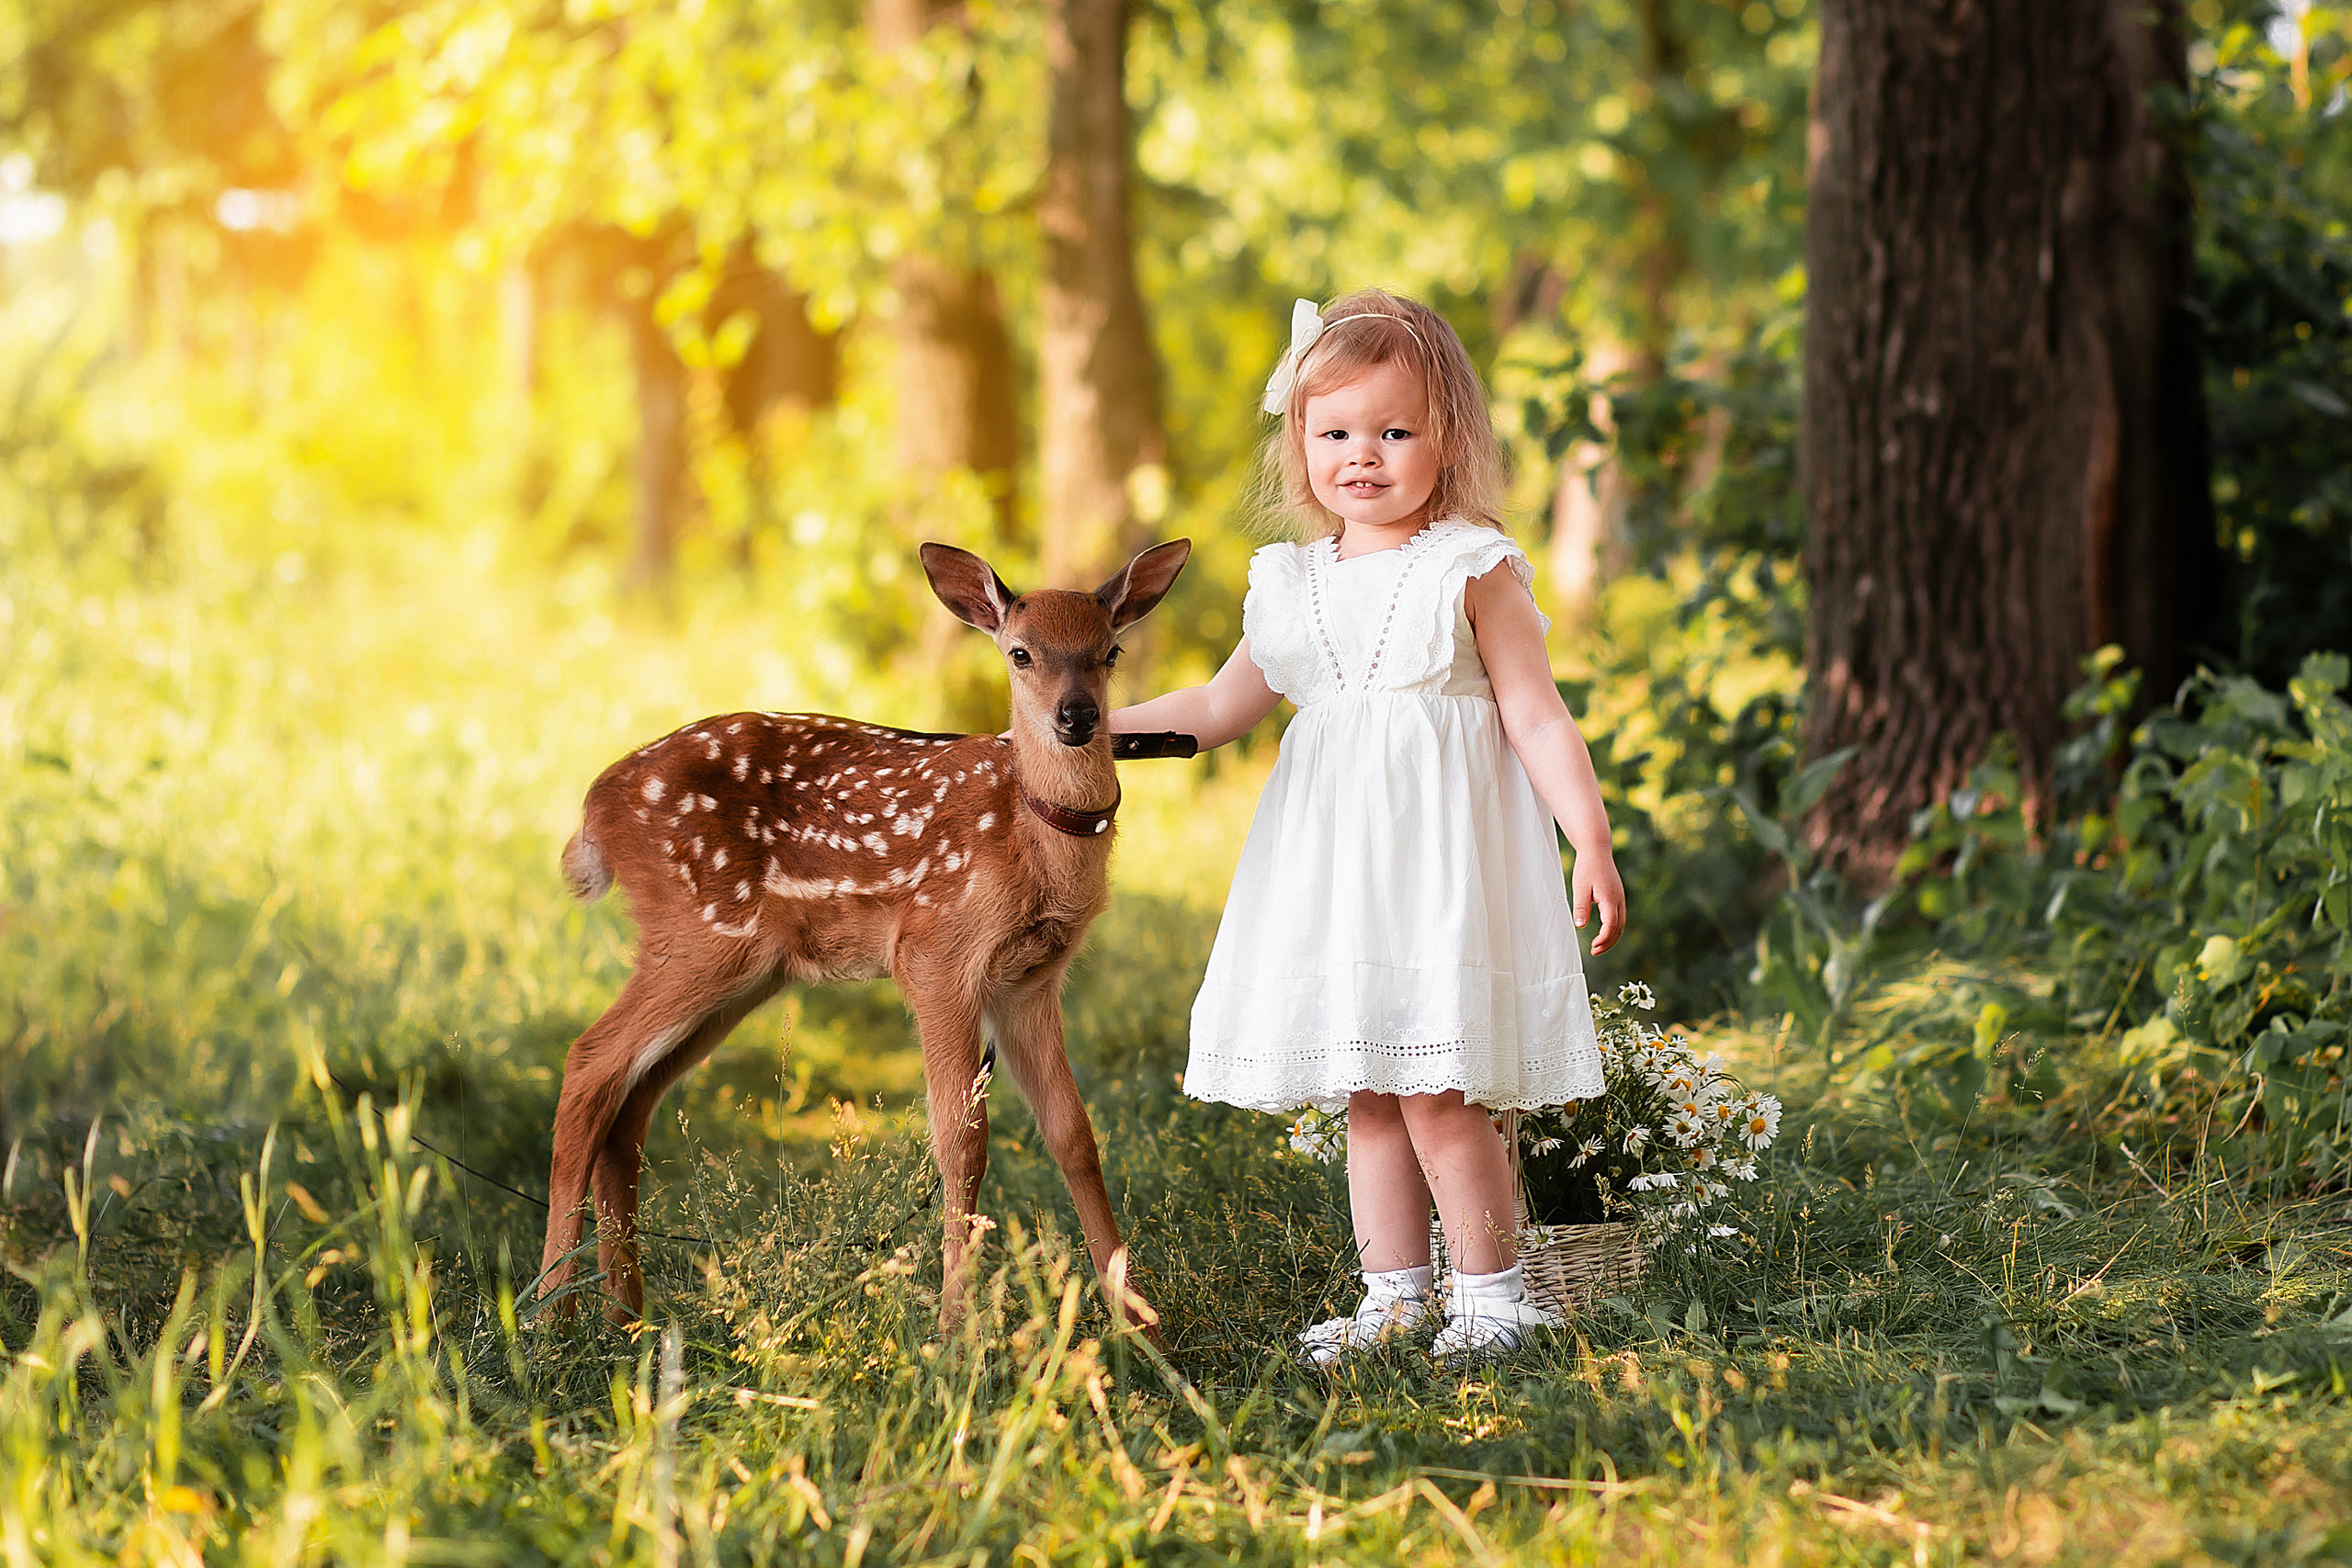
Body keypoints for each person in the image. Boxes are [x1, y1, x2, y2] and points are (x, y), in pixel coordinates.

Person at [1112, 288, 1625, 1362]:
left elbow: (1533, 712)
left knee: (1440, 1091)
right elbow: (1213, 712)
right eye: (1335, 431)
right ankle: (1393, 1296)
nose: (1363, 456)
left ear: (1449, 439)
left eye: (1394, 432)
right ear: (1298, 442)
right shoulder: (1288, 583)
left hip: (1438, 870)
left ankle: (1493, 1296)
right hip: (1335, 878)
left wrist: (1590, 835)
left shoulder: (1467, 567)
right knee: (1370, 1097)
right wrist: (1083, 733)